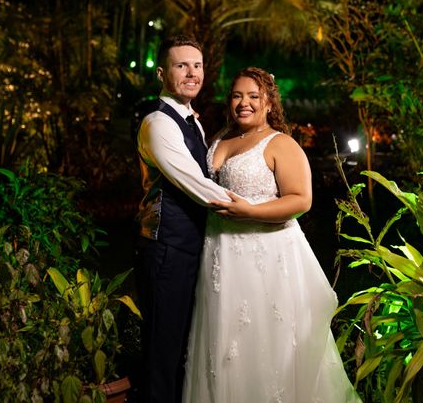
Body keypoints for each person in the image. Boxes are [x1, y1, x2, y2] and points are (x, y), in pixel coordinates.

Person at [183, 67, 362, 402]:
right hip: (220, 257)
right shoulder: (221, 137)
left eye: (254, 96)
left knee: (264, 344)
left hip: (263, 259)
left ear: (268, 103)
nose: (244, 103)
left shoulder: (280, 143)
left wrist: (249, 211)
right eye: (237, 95)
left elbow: (301, 200)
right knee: (221, 344)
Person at [135, 35, 233, 403]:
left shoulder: (192, 120)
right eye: (181, 66)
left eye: (198, 65)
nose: (192, 73)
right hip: (166, 248)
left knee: (183, 347)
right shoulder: (157, 123)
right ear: (162, 73)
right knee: (163, 349)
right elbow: (197, 185)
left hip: (190, 246)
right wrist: (254, 210)